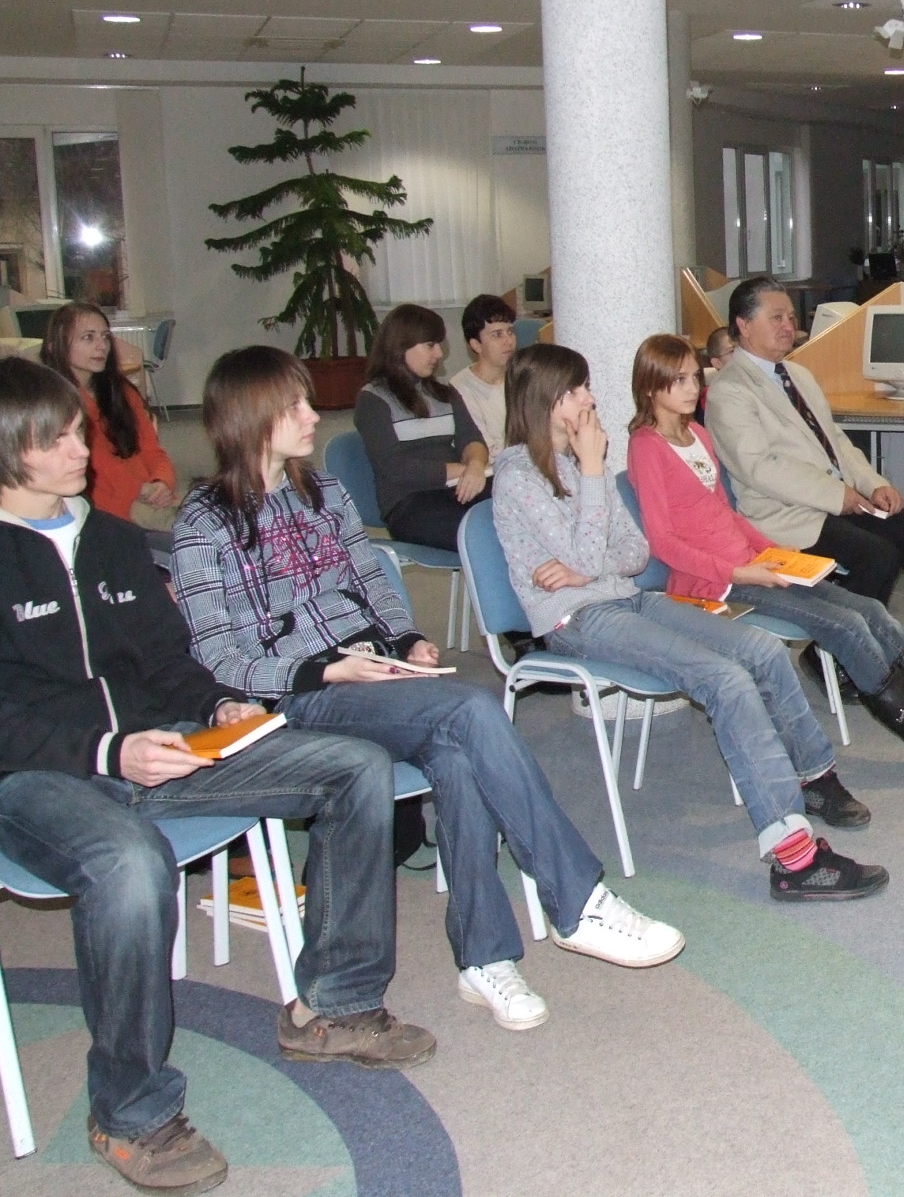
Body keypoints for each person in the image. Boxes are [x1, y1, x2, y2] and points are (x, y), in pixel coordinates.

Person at [0, 355, 435, 1194]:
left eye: (76, 431)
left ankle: (334, 1007)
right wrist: (109, 751)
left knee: (355, 768)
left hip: (160, 748)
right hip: (34, 778)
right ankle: (130, 1113)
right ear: (9, 451)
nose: (80, 449)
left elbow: (168, 660)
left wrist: (219, 702)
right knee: (129, 865)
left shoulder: (113, 541)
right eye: (54, 440)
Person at [173, 346, 682, 1035]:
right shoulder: (207, 520)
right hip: (300, 693)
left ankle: (485, 959)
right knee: (472, 710)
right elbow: (217, 651)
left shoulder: (324, 493)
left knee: (460, 756)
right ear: (250, 416)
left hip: (375, 674)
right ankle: (577, 899)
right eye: (294, 405)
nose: (311, 414)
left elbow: (373, 579)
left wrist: (406, 639)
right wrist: (324, 671)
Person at [493, 343, 887, 902]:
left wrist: (585, 563)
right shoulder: (518, 476)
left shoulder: (581, 467)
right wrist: (593, 482)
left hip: (626, 598)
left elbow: (633, 552)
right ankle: (794, 860)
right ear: (545, 400)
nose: (589, 399)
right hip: (576, 619)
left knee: (760, 650)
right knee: (724, 679)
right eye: (576, 390)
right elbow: (588, 556)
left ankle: (814, 777)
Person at [626, 333, 904, 785]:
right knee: (847, 625)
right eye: (678, 380)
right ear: (651, 387)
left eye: (692, 377)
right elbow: (662, 541)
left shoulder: (696, 435)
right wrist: (740, 570)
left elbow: (726, 513)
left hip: (752, 563)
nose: (692, 387)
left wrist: (770, 552)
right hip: (714, 581)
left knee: (872, 611)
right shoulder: (646, 446)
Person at [705, 277, 904, 688]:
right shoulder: (730, 389)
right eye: (776, 318)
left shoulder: (797, 375)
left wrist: (872, 482)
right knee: (876, 555)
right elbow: (760, 468)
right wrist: (838, 495)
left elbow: (836, 441)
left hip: (834, 501)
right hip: (785, 515)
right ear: (743, 325)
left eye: (790, 317)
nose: (789, 325)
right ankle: (832, 655)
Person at [353, 302, 491, 549]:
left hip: (456, 489)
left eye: (438, 344)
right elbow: (395, 468)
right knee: (487, 533)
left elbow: (472, 439)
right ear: (401, 345)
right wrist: (461, 470)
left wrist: (476, 465)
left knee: (519, 512)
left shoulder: (446, 394)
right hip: (409, 503)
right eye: (430, 345)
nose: (439, 354)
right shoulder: (373, 399)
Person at [39, 301, 178, 533]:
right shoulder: (52, 405)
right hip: (108, 514)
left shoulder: (121, 392)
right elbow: (96, 471)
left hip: (150, 500)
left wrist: (161, 482)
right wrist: (141, 491)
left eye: (105, 337)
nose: (101, 346)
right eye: (88, 337)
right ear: (56, 347)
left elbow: (152, 451)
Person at [449, 292, 519, 459]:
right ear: (476, 345)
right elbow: (485, 451)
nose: (509, 341)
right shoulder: (461, 388)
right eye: (497, 334)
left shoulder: (522, 377)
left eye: (510, 332)